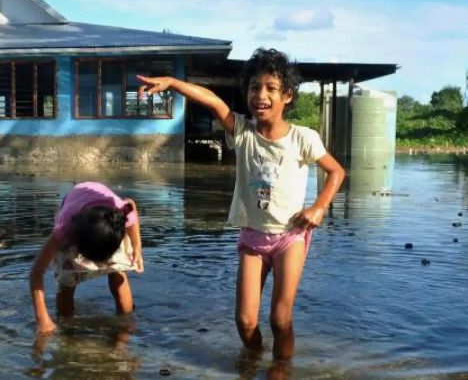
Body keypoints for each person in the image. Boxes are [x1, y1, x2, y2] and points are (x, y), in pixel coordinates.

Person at [137, 48, 345, 362]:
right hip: (253, 237)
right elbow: (212, 101)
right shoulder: (243, 132)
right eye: (254, 87)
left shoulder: (303, 138)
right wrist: (172, 83)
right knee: (245, 321)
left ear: (287, 96)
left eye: (271, 88)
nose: (260, 95)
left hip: (291, 236)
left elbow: (336, 171)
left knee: (280, 318)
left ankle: (281, 370)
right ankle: (252, 359)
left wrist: (318, 207)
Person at [29, 182, 144, 336]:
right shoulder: (64, 229)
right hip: (76, 228)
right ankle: (67, 328)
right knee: (66, 283)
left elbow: (131, 208)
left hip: (105, 225)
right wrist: (43, 320)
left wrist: (137, 248)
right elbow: (36, 273)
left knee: (118, 271)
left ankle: (126, 321)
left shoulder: (118, 213)